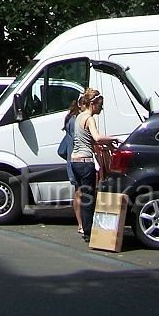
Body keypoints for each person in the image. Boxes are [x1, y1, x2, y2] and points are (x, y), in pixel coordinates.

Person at [70, 88, 119, 243]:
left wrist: (106, 144)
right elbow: (97, 137)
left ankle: (84, 228)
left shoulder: (78, 117)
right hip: (85, 163)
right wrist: (113, 139)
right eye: (100, 105)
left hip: (74, 161)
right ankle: (88, 233)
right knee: (89, 199)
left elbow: (87, 139)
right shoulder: (90, 118)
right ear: (93, 104)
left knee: (82, 194)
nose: (101, 109)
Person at [62, 95, 86, 236]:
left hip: (72, 159)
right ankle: (82, 224)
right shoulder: (77, 120)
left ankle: (81, 224)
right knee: (80, 192)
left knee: (78, 191)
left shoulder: (71, 118)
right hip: (78, 159)